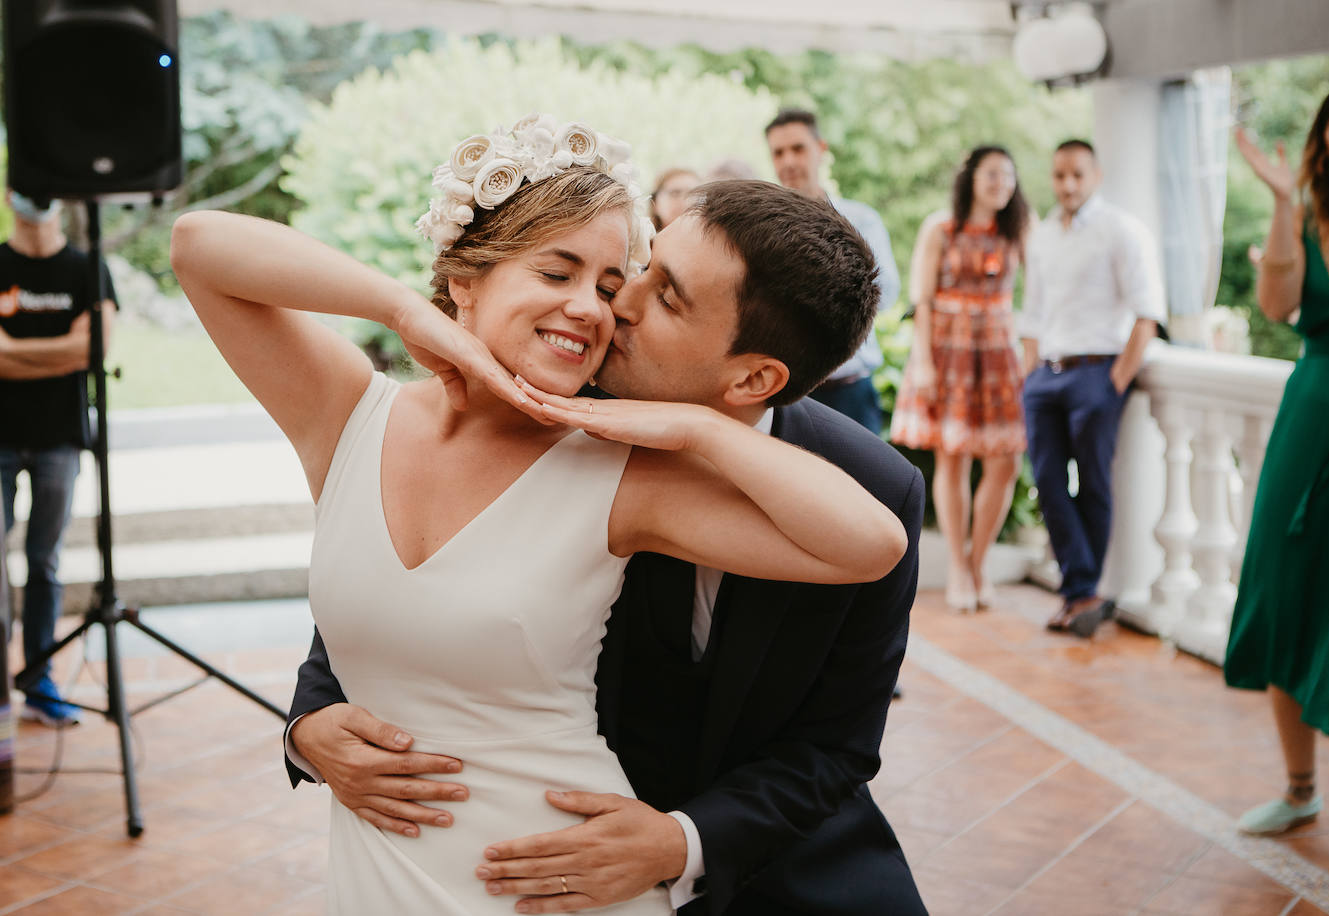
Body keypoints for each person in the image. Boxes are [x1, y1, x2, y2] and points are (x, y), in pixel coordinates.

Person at [170, 115, 911, 916]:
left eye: (639, 288)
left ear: (751, 381)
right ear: (467, 277)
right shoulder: (369, 410)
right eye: (625, 267)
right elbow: (199, 243)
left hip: (737, 873)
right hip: (396, 866)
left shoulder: (627, 463)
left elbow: (868, 569)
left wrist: (691, 431)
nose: (609, 307)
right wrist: (403, 312)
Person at [1224, 75, 1329, 836]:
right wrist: (1286, 202)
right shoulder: (1310, 218)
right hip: (1311, 415)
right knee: (1287, 583)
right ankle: (1300, 786)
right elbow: (1279, 307)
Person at [1020, 139, 1165, 638]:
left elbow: (1148, 313)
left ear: (1096, 175)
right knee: (1048, 481)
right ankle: (1082, 591)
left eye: (1077, 175)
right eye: (1059, 175)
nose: (1068, 185)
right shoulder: (1041, 236)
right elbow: (1034, 313)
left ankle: (1080, 592)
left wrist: (1114, 382)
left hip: (1096, 373)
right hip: (1046, 376)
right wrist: (1029, 374)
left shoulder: (1122, 231)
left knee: (1094, 482)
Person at [891, 145, 1032, 612]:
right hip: (948, 349)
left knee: (1005, 460)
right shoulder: (941, 227)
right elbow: (923, 299)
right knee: (953, 458)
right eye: (992, 174)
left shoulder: (1017, 231)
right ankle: (958, 565)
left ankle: (979, 560)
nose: (1001, 184)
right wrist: (925, 363)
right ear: (971, 177)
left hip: (998, 350)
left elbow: (1049, 288)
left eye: (1008, 176)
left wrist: (1031, 347)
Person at [0, 189, 116, 727]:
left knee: (44, 563)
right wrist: (61, 349)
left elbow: (93, 350)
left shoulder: (87, 268)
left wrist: (11, 351)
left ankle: (38, 680)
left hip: (61, 438)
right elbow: (73, 348)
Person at [765, 108, 899, 434]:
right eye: (778, 152)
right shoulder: (764, 227)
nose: (788, 161)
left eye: (798, 148)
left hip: (850, 390)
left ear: (821, 150)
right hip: (785, 394)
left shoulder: (862, 220)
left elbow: (885, 293)